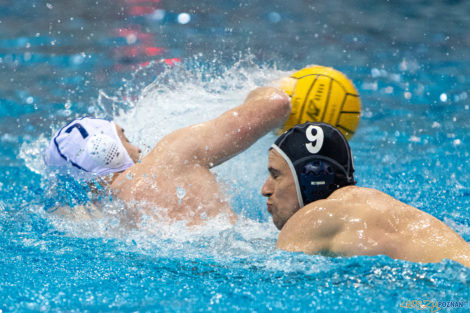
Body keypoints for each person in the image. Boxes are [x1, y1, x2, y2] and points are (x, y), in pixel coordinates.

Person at [44, 86, 292, 225]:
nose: (139, 148)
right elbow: (276, 105)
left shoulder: (93, 221)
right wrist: (266, 88)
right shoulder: (172, 154)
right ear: (106, 151)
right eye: (125, 139)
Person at [261, 122, 470, 267]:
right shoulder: (370, 204)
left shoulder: (311, 220)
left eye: (275, 175)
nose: (265, 189)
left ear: (309, 178)